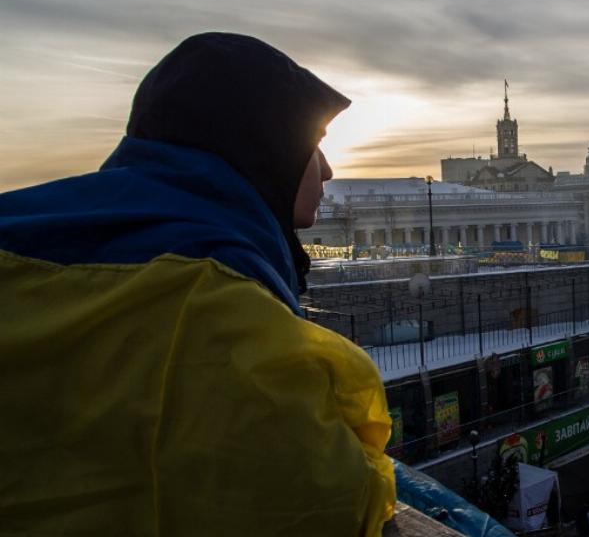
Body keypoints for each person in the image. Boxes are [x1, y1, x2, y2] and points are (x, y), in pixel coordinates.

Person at [0, 33, 396, 534]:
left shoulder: (26, 226)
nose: (329, 169)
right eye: (314, 147)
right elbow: (335, 503)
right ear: (261, 146)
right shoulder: (220, 307)